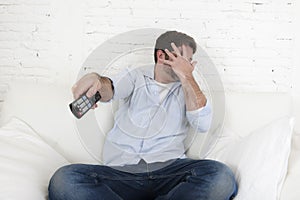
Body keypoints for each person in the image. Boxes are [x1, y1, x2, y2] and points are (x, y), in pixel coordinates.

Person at [48, 31, 238, 200]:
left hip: (169, 172)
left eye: (188, 61)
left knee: (220, 176)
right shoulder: (135, 76)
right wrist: (97, 80)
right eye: (181, 59)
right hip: (120, 173)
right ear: (161, 56)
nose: (186, 65)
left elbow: (203, 123)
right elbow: (110, 89)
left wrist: (187, 77)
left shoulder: (188, 89)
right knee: (64, 180)